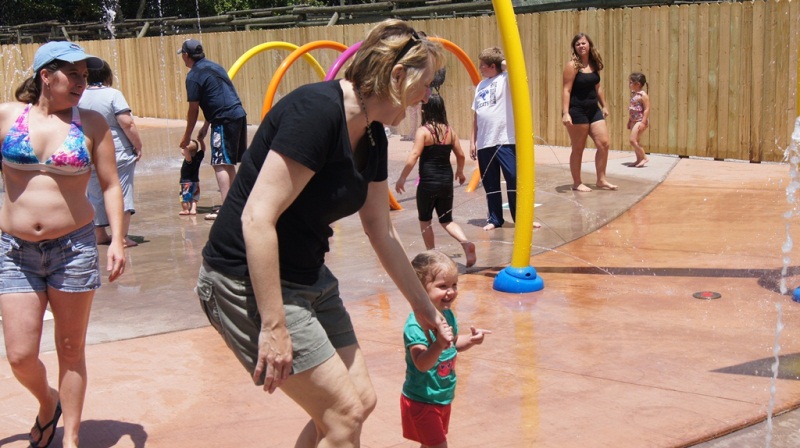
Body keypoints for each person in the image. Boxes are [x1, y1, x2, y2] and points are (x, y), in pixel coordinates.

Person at [195, 19, 451, 446]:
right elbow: (257, 217)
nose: (427, 96)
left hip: (308, 277)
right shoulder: (317, 112)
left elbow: (381, 231)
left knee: (360, 402)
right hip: (244, 279)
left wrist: (425, 308)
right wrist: (273, 325)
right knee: (342, 416)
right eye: (424, 85)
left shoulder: (373, 135)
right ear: (396, 76)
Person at [0, 41, 126, 448]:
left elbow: (110, 185)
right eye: (72, 74)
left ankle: (71, 439)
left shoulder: (90, 123)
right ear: (45, 75)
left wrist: (117, 240)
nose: (80, 83)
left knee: (71, 348)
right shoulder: (7, 116)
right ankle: (47, 401)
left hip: (73, 249)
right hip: (15, 252)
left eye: (84, 76)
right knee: (20, 355)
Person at [401, 250, 491, 448]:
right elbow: (421, 363)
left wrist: (471, 340)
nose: (451, 291)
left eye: (454, 285)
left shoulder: (447, 315)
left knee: (430, 445)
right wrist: (439, 344)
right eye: (443, 286)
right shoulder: (416, 325)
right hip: (421, 400)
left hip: (442, 397)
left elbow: (453, 343)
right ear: (420, 289)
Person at [395, 94, 476, 267]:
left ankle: (432, 256)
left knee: (425, 221)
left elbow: (414, 155)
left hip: (428, 183)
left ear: (425, 109)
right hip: (446, 181)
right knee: (447, 220)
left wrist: (402, 177)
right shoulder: (449, 131)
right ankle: (466, 243)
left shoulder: (423, 131)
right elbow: (461, 155)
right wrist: (460, 172)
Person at [177, 38, 247, 221]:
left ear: (186, 55)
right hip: (237, 114)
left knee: (219, 163)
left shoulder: (193, 76)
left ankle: (227, 209)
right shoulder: (215, 67)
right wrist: (206, 126)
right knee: (227, 162)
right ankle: (233, 205)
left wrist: (187, 136)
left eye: (182, 54)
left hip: (224, 119)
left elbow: (193, 109)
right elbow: (217, 96)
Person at [78, 60, 143, 247]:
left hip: (89, 151)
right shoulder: (113, 94)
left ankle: (99, 234)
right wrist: (138, 145)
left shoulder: (80, 96)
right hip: (117, 152)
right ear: (107, 75)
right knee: (122, 192)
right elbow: (127, 123)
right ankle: (121, 236)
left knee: (95, 195)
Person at [562, 32, 618, 192]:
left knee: (604, 144)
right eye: (577, 44)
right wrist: (566, 113)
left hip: (593, 109)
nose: (581, 46)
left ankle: (601, 180)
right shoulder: (572, 66)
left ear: (589, 45)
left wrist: (604, 105)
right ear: (574, 47)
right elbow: (566, 90)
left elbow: (597, 87)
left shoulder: (594, 64)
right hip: (576, 110)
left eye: (583, 43)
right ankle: (577, 183)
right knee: (578, 148)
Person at [470, 47, 517, 231]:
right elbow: (476, 115)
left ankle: (521, 218)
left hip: (504, 139)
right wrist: (473, 140)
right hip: (484, 141)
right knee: (490, 182)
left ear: (492, 66)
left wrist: (500, 63)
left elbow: (513, 67)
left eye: (483, 65)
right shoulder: (480, 86)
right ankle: (495, 219)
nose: (480, 68)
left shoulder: (505, 79)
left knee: (513, 178)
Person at [627, 72, 650, 168]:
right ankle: (638, 159)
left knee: (632, 140)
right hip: (634, 120)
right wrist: (629, 120)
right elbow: (633, 108)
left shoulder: (643, 95)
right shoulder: (634, 94)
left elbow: (647, 109)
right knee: (636, 140)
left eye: (631, 82)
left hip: (640, 120)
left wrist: (643, 122)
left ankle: (644, 157)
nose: (629, 84)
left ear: (637, 84)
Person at [179, 138, 205, 215]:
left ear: (187, 152)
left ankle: (185, 210)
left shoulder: (189, 159)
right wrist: (201, 141)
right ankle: (193, 209)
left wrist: (183, 145)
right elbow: (203, 149)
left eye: (184, 148)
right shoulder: (199, 157)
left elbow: (187, 153)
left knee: (184, 197)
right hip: (195, 181)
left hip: (186, 182)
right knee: (194, 196)